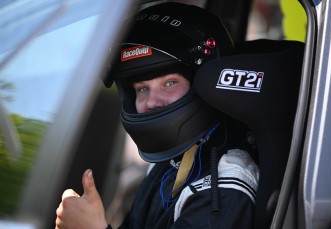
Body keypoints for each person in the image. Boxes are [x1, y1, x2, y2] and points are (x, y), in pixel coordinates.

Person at [55, 2, 259, 229]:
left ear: (204, 85)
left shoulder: (224, 184)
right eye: (142, 88)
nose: (151, 102)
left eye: (169, 83)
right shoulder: (168, 160)